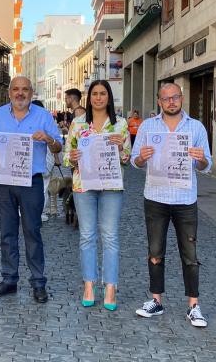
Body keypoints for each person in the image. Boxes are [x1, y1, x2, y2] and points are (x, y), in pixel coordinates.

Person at [131, 82, 212, 328]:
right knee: (155, 252)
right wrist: (142, 158)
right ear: (159, 101)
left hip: (185, 199)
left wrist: (199, 160)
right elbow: (135, 161)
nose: (171, 102)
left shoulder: (196, 127)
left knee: (190, 254)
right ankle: (156, 300)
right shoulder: (147, 126)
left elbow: (207, 164)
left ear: (182, 98)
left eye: (175, 97)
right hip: (155, 197)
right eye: (166, 98)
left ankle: (193, 306)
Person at [0, 77, 62, 304]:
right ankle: (9, 279)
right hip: (4, 182)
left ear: (31, 92)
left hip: (31, 182)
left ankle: (38, 282)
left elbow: (59, 145)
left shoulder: (43, 116)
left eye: (25, 89)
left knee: (32, 231)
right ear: (9, 92)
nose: (20, 93)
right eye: (16, 89)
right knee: (7, 232)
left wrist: (48, 138)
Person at [64, 80, 130, 311]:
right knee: (87, 236)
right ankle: (89, 285)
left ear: (109, 97)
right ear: (89, 97)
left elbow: (127, 160)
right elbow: (66, 157)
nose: (98, 98)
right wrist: (72, 157)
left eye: (103, 94)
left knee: (110, 237)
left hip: (111, 186)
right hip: (84, 185)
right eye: (94, 94)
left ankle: (110, 287)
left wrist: (122, 148)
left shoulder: (120, 124)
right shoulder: (78, 123)